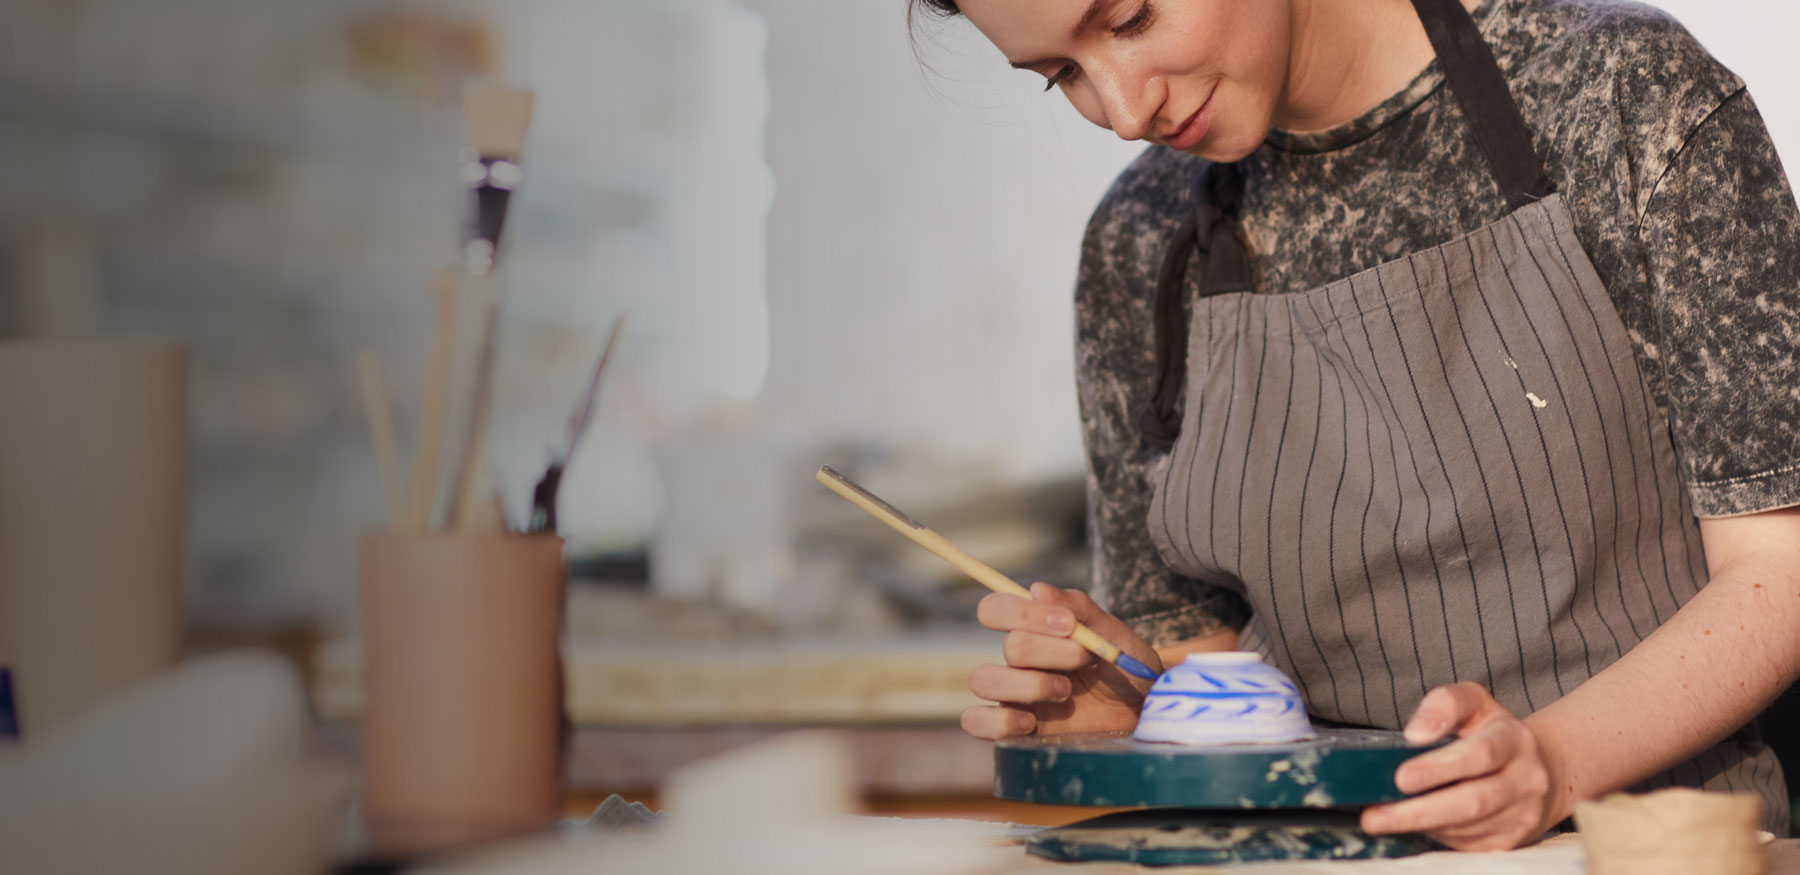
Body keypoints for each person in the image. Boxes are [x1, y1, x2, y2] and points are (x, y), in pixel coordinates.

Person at [917, 0, 1800, 850]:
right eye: (1061, 72)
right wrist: (1141, 718)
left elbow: (1779, 572)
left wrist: (1553, 760)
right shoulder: (1140, 242)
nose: (1123, 108)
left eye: (1130, 18)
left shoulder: (1618, 91)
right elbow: (1205, 664)